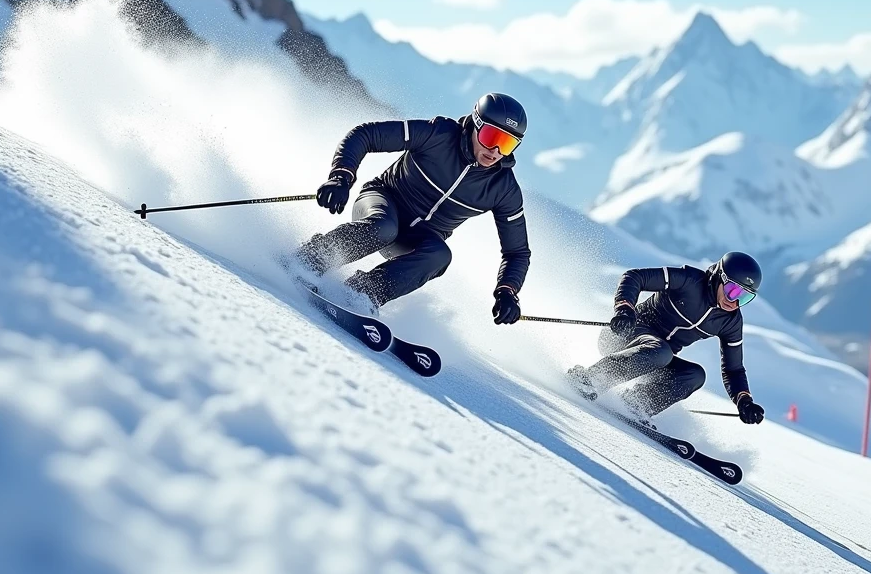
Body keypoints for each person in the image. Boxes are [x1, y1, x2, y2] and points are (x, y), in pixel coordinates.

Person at [296, 93, 531, 323]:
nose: (495, 151)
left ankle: (360, 293)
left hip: (415, 240)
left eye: (507, 143)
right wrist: (341, 176)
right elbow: (366, 135)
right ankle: (312, 258)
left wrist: (507, 290)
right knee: (384, 227)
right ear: (475, 124)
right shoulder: (438, 134)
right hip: (382, 203)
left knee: (439, 256)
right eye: (491, 137)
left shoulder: (504, 189)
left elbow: (517, 252)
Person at [568, 251, 765, 426]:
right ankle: (590, 378)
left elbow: (734, 369)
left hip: (653, 358)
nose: (735, 302)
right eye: (733, 291)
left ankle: (636, 403)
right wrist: (624, 309)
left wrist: (744, 400)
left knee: (694, 375)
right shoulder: (690, 280)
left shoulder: (730, 321)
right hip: (621, 334)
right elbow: (635, 276)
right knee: (661, 351)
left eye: (745, 298)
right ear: (719, 277)